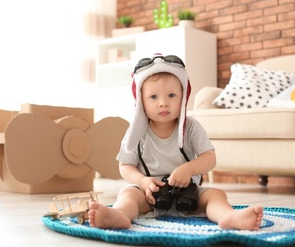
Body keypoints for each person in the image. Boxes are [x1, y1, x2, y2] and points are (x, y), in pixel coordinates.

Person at [88, 54, 263, 230]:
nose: (163, 103)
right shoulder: (137, 131)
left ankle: (230, 217)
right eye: (153, 97)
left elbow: (210, 158)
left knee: (216, 195)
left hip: (189, 194)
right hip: (148, 195)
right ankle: (118, 215)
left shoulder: (191, 126)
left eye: (172, 95)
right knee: (128, 194)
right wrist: (142, 182)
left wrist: (188, 169)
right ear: (141, 102)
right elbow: (125, 165)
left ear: (183, 98)